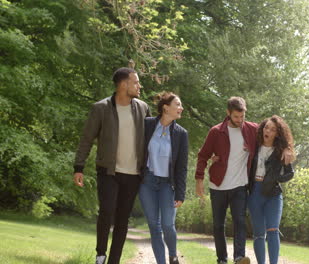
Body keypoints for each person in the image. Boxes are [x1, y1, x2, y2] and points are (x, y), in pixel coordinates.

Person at [195, 97, 293, 264]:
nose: (240, 121)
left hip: (240, 185)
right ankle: (222, 259)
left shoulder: (251, 129)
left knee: (240, 221)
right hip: (218, 185)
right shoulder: (216, 131)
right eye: (236, 117)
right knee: (218, 225)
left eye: (242, 116)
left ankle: (239, 257)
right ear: (228, 113)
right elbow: (203, 156)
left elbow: (276, 133)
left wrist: (287, 148)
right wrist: (199, 180)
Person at [73, 67, 150, 264]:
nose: (139, 86)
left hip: (133, 174)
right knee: (107, 212)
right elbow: (86, 139)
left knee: (123, 219)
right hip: (108, 171)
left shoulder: (142, 108)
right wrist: (78, 167)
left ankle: (114, 260)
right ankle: (100, 255)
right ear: (123, 84)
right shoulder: (101, 108)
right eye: (135, 82)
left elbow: (152, 140)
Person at [139, 92, 188, 264]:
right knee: (154, 226)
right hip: (147, 182)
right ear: (166, 107)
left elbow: (182, 167)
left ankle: (173, 256)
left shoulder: (181, 134)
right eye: (178, 104)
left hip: (168, 184)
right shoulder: (147, 125)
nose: (181, 108)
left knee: (168, 224)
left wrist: (180, 194)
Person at [247, 115, 295, 264]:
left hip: (273, 194)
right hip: (254, 193)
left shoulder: (281, 151)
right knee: (259, 234)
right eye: (266, 127)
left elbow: (290, 173)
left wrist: (276, 179)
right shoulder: (253, 146)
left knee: (273, 230)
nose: (268, 131)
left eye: (273, 129)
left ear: (277, 133)